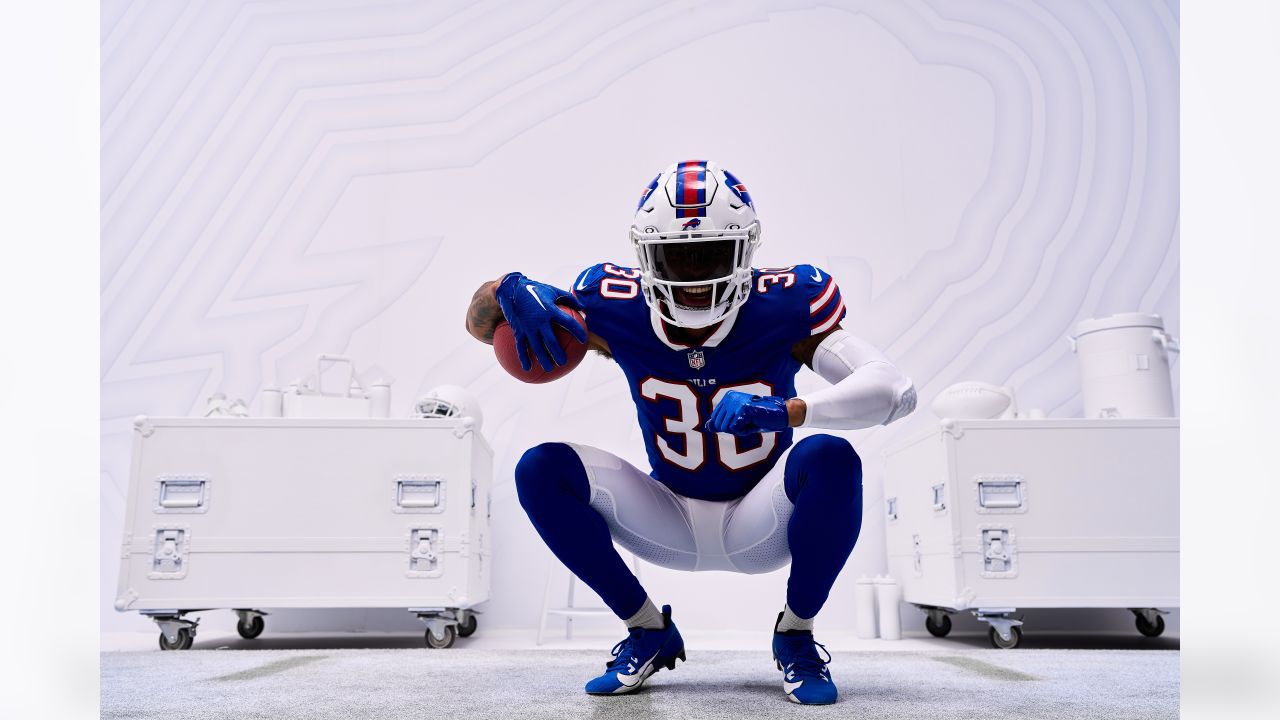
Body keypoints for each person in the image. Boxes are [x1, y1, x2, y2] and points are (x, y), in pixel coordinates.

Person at [464, 160, 916, 705]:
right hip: (666, 511)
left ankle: (796, 635)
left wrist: (790, 410)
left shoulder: (787, 305)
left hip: (762, 516)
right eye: (676, 256)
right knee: (540, 468)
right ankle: (647, 629)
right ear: (644, 254)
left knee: (830, 457)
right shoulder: (611, 306)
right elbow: (481, 323)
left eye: (711, 254)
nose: (694, 277)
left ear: (747, 250)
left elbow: (895, 390)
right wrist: (508, 286)